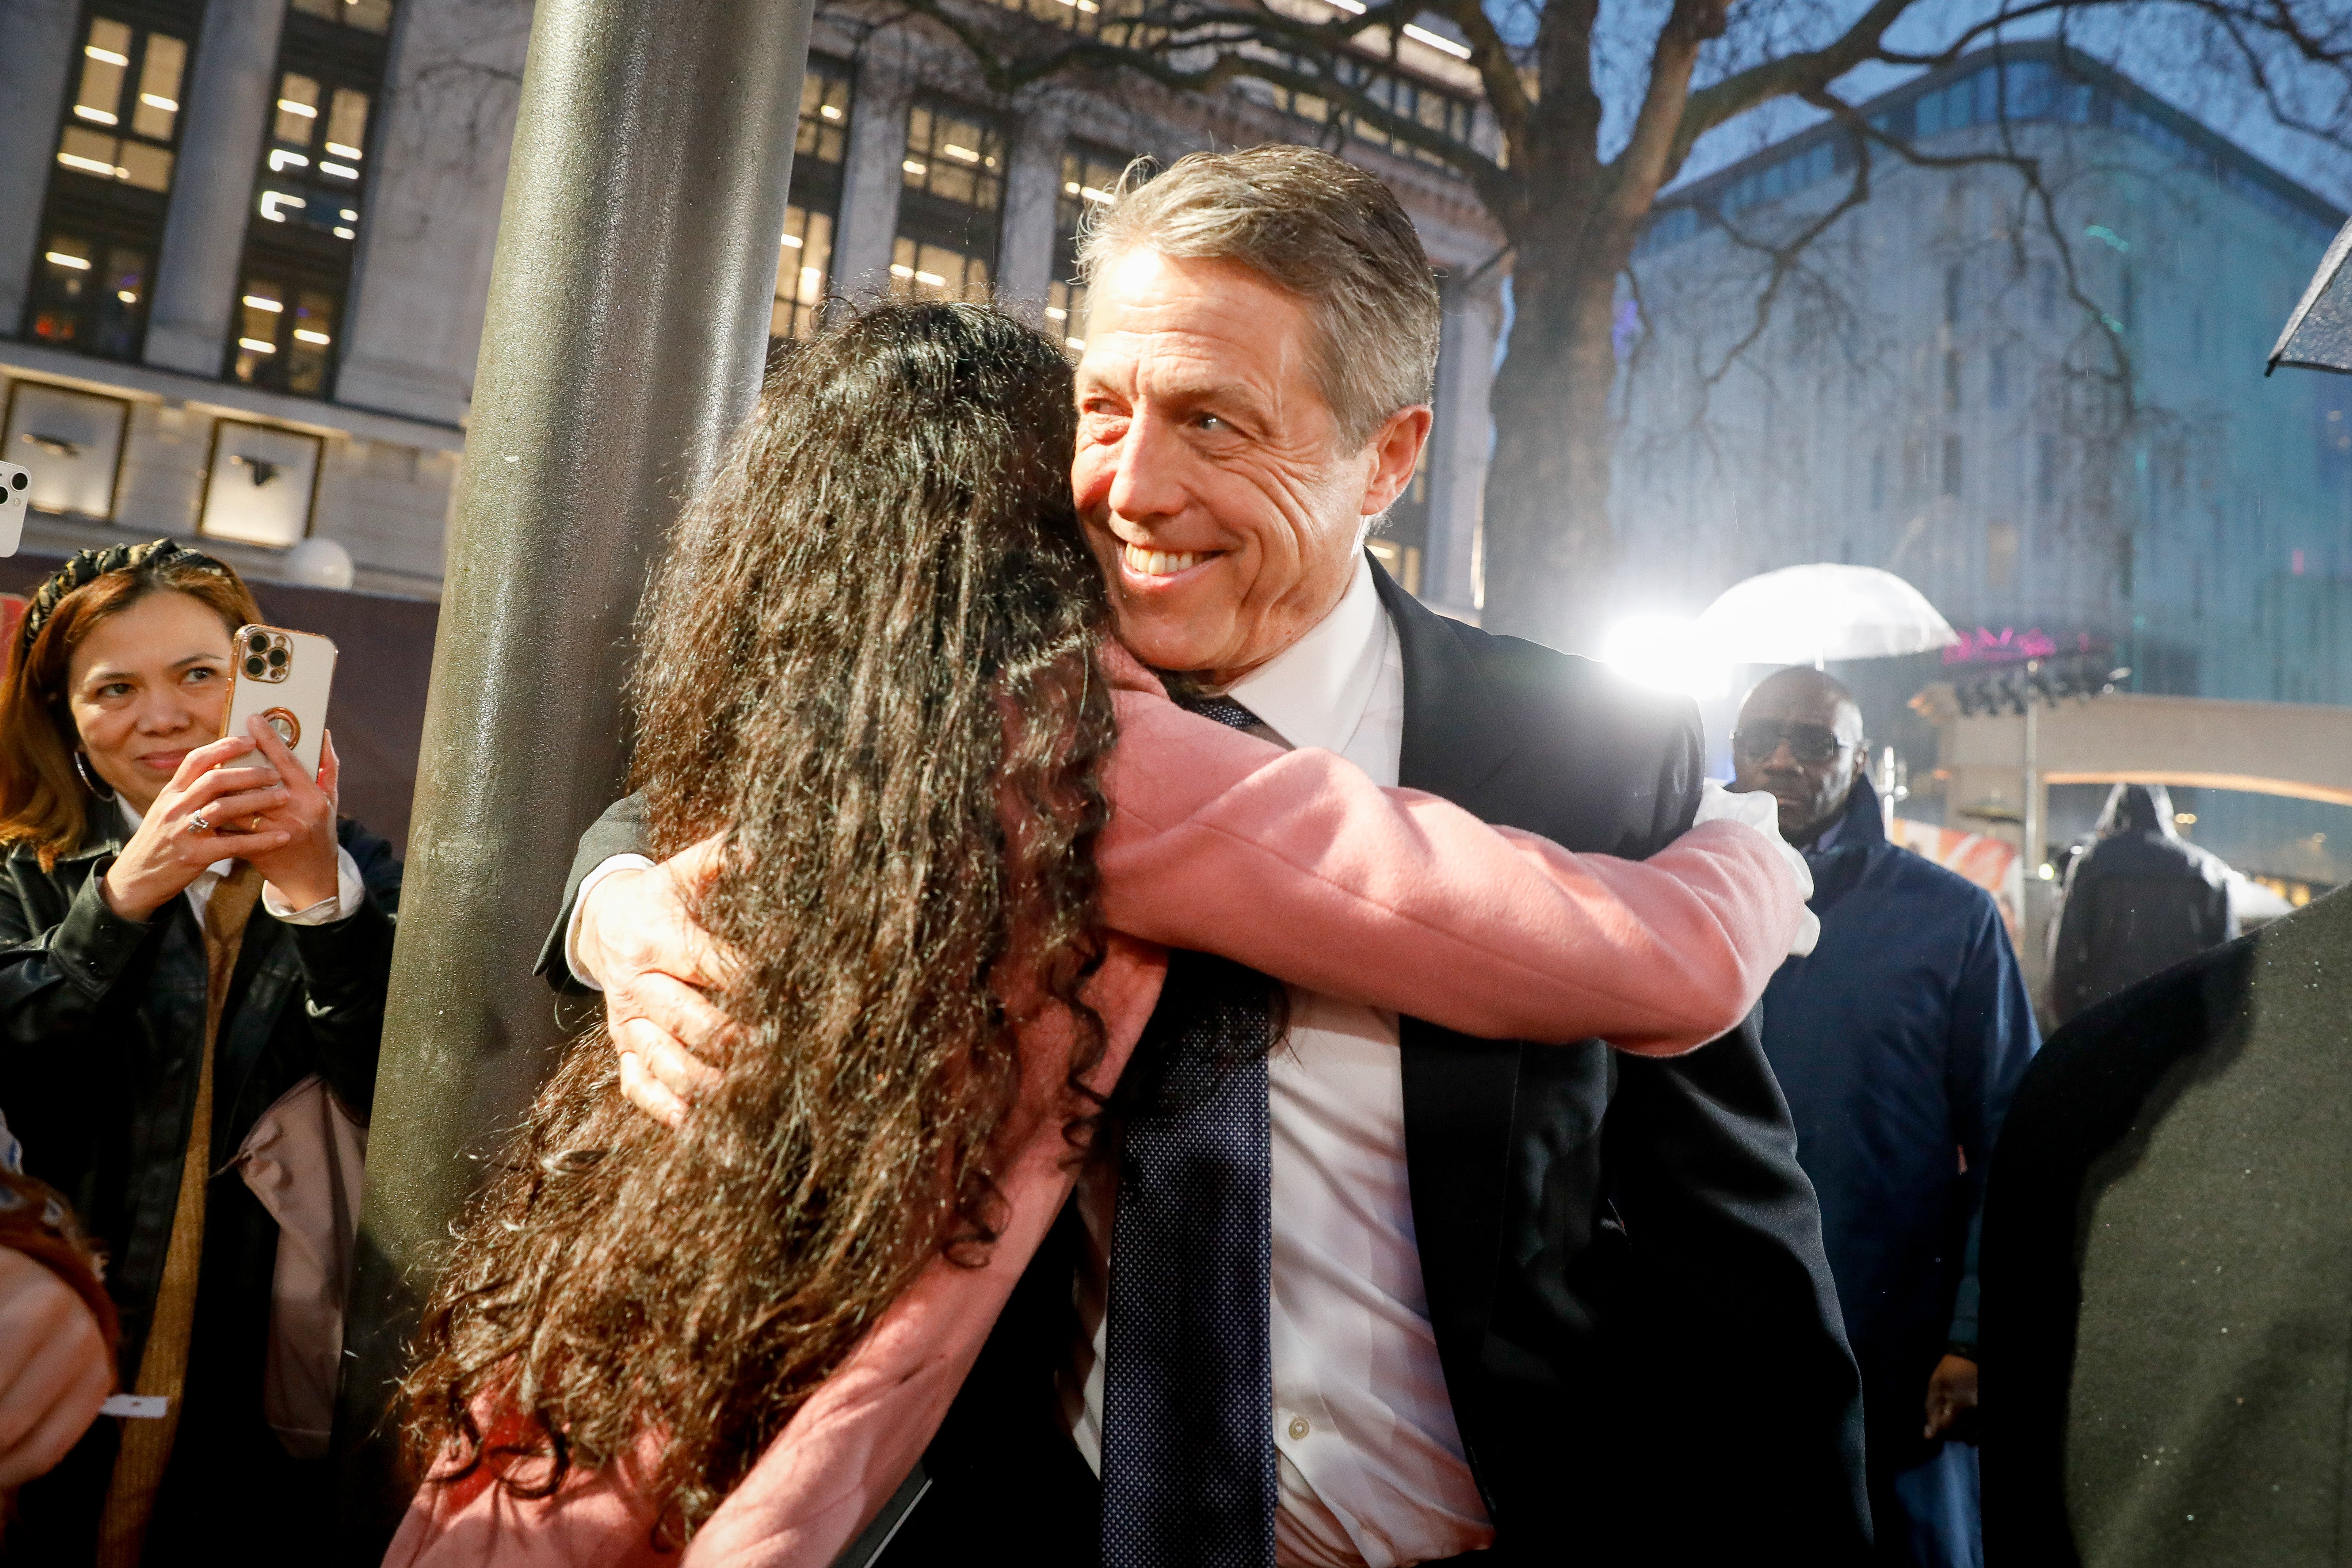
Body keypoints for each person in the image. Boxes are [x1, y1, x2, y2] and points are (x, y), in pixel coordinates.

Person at [544, 146, 1868, 1565]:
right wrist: (615, 905)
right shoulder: (992, 688)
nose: (1129, 484)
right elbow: (758, 779)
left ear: (1389, 455)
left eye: (1213, 422)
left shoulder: (1585, 752)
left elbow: (1734, 1254)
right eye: (1100, 407)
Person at [0, 540, 400, 1564]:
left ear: (257, 683)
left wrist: (319, 895)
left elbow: (401, 1100)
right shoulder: (22, 874)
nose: (163, 716)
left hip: (265, 1376)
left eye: (197, 674)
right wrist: (123, 895)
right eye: (114, 688)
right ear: (69, 723)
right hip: (48, 1342)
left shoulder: (362, 865)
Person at [1728, 666, 2039, 1568]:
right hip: (1704, 1346)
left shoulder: (1950, 919)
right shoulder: (1665, 894)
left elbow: (2008, 1142)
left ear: (1860, 761)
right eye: (1764, 735)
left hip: (1892, 1351)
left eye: (1815, 741)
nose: (1784, 757)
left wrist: (1973, 1337)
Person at [2048, 782, 2237, 1024]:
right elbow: (2229, 957)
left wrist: (2069, 1024)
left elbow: (2066, 955)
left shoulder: (2092, 864)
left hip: (2108, 1018)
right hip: (2184, 1017)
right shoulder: (2208, 871)